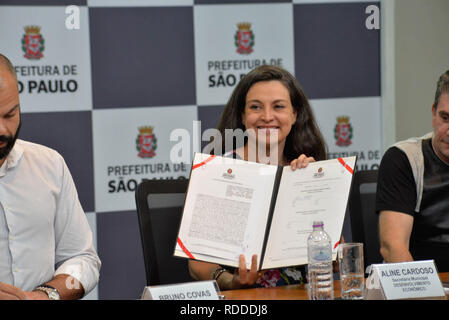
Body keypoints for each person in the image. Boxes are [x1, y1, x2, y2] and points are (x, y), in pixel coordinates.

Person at [189, 65, 328, 289]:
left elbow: (331, 255)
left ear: (295, 115)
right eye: (255, 107)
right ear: (243, 116)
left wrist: (314, 188)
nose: (267, 117)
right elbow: (198, 265)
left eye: (278, 106)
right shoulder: (219, 171)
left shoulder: (304, 169)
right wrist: (231, 281)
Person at [0, 53, 101, 300]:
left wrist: (46, 296)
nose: (3, 130)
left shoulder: (49, 164)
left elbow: (82, 259)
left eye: (10, 115)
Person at [376, 70, 449, 272]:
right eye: (445, 118)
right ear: (434, 113)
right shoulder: (403, 159)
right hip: (417, 284)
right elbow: (393, 248)